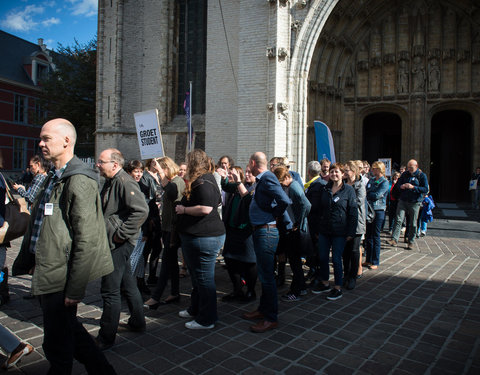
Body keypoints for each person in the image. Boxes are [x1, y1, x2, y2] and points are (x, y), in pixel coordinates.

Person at [12, 118, 116, 374]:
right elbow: (45, 226)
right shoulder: (54, 177)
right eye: (41, 138)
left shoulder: (78, 180)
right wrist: (33, 261)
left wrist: (76, 288)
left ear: (66, 141)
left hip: (61, 275)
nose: (40, 143)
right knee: (69, 331)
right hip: (49, 268)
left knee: (57, 343)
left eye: (46, 138)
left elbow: (87, 239)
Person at [96, 148, 149, 350]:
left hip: (119, 243)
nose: (98, 165)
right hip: (117, 241)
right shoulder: (112, 180)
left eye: (102, 162)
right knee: (127, 282)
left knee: (110, 290)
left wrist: (121, 233)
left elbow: (141, 210)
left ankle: (106, 336)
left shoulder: (124, 181)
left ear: (115, 164)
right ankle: (137, 321)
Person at [175, 149, 225, 330]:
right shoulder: (207, 178)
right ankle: (195, 308)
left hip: (205, 237)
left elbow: (206, 209)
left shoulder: (203, 181)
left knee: (204, 279)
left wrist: (184, 210)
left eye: (188, 161)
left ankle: (207, 318)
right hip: (197, 235)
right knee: (197, 278)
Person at [241, 152, 290, 333]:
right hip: (261, 231)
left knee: (267, 277)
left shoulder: (268, 177)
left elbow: (284, 200)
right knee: (264, 275)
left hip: (266, 232)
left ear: (253, 163)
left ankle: (271, 318)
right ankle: (263, 310)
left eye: (249, 162)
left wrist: (273, 214)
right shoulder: (263, 178)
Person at [311, 163, 357, 301]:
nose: (334, 174)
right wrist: (318, 228)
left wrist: (351, 232)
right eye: (332, 172)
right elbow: (319, 210)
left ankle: (337, 287)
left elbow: (353, 212)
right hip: (325, 229)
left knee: (336, 259)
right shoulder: (325, 189)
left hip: (340, 231)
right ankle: (325, 282)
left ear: (342, 174)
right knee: (323, 257)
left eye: (336, 172)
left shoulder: (349, 190)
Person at [144, 156, 186, 309]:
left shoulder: (177, 182)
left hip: (174, 229)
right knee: (172, 263)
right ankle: (174, 292)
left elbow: (172, 193)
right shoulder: (172, 182)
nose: (159, 174)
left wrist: (160, 172)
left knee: (167, 263)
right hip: (167, 227)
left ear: (166, 168)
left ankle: (156, 297)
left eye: (161, 170)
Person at [219, 166, 257, 303]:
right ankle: (237, 290)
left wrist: (239, 182)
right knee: (230, 259)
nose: (247, 175)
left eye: (250, 172)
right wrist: (224, 177)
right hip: (233, 229)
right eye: (246, 172)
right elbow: (227, 187)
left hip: (247, 231)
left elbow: (248, 201)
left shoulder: (256, 188)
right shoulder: (239, 186)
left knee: (249, 262)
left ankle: (251, 291)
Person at [273, 166, 311, 302]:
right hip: (291, 228)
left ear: (287, 178)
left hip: (296, 230)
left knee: (295, 261)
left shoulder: (294, 187)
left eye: (281, 182)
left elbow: (306, 205)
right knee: (295, 261)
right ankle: (301, 287)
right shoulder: (288, 187)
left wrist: (298, 223)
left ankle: (296, 290)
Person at [387, 159, 429, 250]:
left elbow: (425, 189)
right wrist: (401, 186)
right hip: (403, 200)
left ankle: (411, 241)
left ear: (416, 166)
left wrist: (413, 187)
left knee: (413, 223)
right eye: (408, 167)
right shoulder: (404, 174)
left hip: (414, 202)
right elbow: (398, 185)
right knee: (398, 219)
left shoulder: (422, 176)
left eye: (411, 167)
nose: (409, 169)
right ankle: (394, 239)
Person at [123, 160, 148, 290]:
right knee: (131, 258)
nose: (138, 174)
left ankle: (138, 282)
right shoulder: (124, 185)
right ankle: (127, 285)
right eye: (136, 171)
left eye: (140, 171)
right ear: (129, 172)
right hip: (128, 228)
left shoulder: (144, 187)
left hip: (140, 228)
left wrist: (147, 230)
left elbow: (147, 210)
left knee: (139, 258)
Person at [139, 159, 163, 286]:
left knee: (157, 248)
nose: (157, 163)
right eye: (155, 161)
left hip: (159, 216)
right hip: (150, 217)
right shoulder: (145, 177)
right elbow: (145, 199)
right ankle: (140, 279)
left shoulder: (160, 175)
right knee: (146, 249)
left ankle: (152, 276)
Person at [342, 161, 366, 290]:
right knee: (345, 251)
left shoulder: (360, 185)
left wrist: (344, 203)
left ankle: (353, 276)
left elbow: (358, 202)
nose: (344, 173)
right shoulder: (344, 184)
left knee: (354, 250)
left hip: (357, 223)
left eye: (347, 171)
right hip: (344, 222)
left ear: (354, 171)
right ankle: (346, 274)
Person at [304, 160, 327, 287]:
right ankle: (313, 270)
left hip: (316, 224)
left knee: (317, 250)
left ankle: (317, 273)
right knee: (312, 249)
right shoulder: (314, 184)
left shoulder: (318, 185)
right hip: (312, 224)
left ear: (308, 172)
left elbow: (315, 206)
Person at [364, 161, 389, 270]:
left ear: (379, 169)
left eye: (374, 169)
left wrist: (369, 193)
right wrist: (369, 193)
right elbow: (366, 191)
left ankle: (375, 260)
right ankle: (368, 259)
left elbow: (377, 195)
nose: (372, 170)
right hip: (370, 209)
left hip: (378, 210)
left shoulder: (384, 182)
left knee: (376, 236)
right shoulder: (372, 180)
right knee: (368, 235)